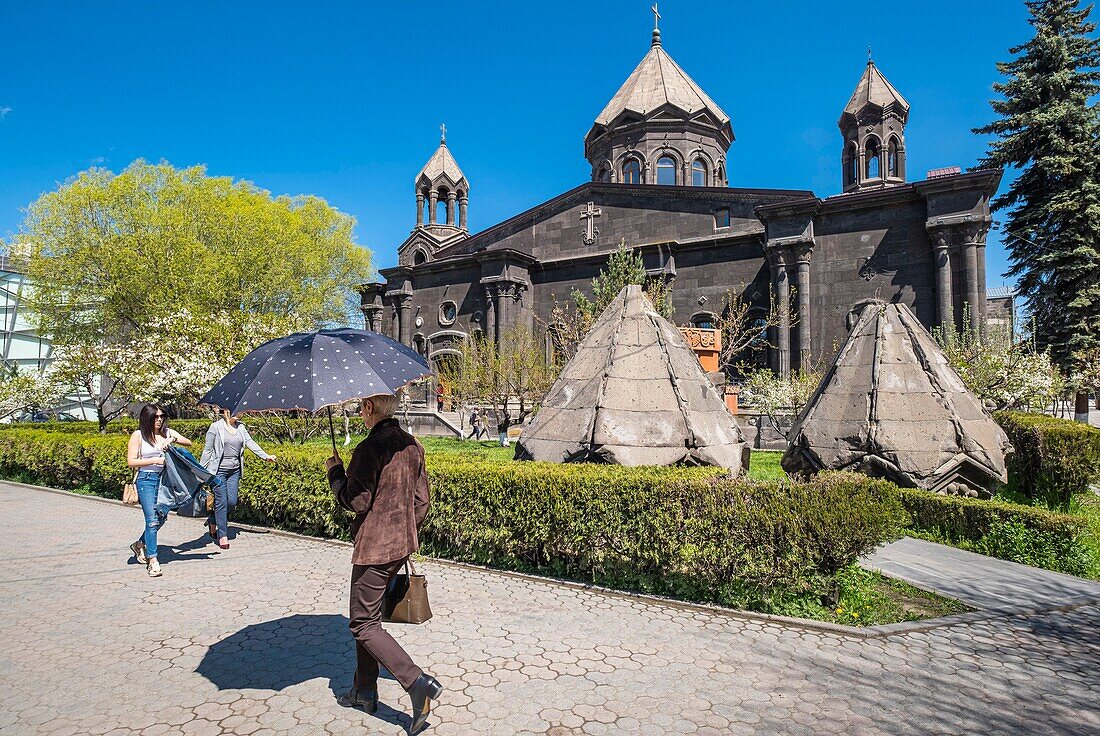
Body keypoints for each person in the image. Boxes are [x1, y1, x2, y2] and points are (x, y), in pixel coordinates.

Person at [326, 394, 443, 734]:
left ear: (370, 409)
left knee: (363, 625)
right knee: (369, 617)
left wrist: (336, 473)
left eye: (361, 407)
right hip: (401, 545)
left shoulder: (368, 449)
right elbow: (422, 503)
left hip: (375, 549)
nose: (359, 412)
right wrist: (403, 531)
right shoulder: (412, 444)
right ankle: (364, 691)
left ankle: (415, 681)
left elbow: (357, 500)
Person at [127, 404, 192, 577]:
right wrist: (154, 460)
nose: (159, 420)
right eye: (155, 417)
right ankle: (153, 560)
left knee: (160, 517)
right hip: (146, 481)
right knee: (151, 519)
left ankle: (139, 544)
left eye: (162, 416)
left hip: (165, 482)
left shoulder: (167, 433)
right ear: (146, 418)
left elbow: (189, 442)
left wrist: (172, 439)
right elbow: (131, 462)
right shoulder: (138, 436)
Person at [200, 408, 276, 550]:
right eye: (233, 410)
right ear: (226, 410)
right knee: (221, 501)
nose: (237, 413)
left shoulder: (241, 427)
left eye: (239, 410)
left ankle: (213, 519)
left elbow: (250, 442)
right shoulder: (215, 427)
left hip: (234, 470)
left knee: (232, 501)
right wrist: (200, 471)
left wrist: (265, 456)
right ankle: (222, 535)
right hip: (218, 471)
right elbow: (207, 450)